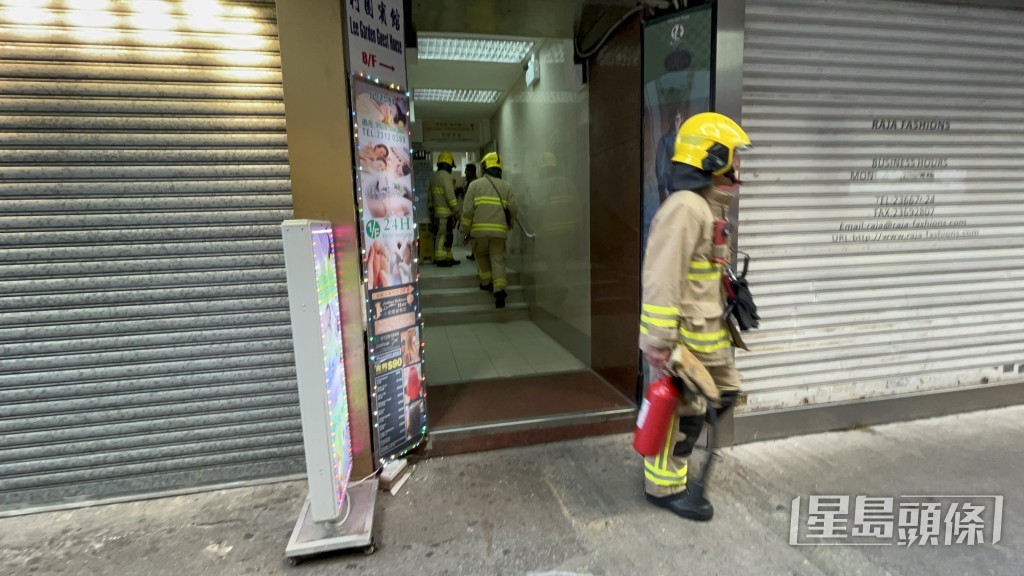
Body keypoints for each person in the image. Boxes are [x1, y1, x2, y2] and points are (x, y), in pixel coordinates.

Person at [639, 112, 751, 522]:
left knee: (717, 401)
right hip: (684, 340)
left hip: (707, 335)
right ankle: (664, 488)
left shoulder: (705, 207)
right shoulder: (686, 208)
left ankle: (674, 473)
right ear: (712, 157)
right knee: (680, 418)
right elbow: (661, 275)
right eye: (734, 157)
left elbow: (702, 274)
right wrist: (659, 340)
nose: (738, 165)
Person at [461, 152, 517, 309]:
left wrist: (464, 231)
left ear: (484, 167)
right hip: (499, 232)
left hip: (479, 232)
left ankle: (486, 282)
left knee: (481, 255)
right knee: (498, 259)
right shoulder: (507, 187)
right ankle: (499, 290)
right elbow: (513, 210)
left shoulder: (474, 185)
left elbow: (467, 212)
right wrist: (509, 224)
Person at [429, 151, 460, 267]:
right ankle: (441, 259)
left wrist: (432, 210)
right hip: (446, 213)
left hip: (438, 213)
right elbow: (450, 195)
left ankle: (448, 257)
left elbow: (430, 196)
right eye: (451, 166)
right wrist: (456, 210)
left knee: (447, 236)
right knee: (443, 235)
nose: (451, 169)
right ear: (448, 164)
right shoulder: (446, 176)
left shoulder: (434, 176)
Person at [655, 107, 684, 205]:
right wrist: (663, 189)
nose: (675, 123)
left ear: (681, 120)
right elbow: (660, 167)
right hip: (670, 189)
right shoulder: (664, 141)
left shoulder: (685, 139)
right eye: (672, 121)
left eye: (677, 120)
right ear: (668, 121)